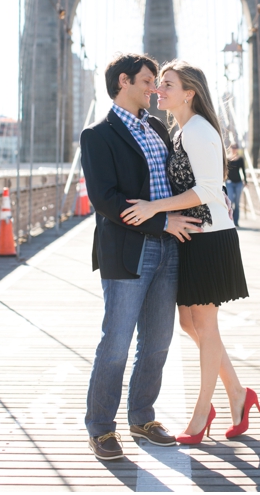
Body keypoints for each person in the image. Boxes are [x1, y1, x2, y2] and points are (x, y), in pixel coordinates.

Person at [121, 59, 260, 444]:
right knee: (189, 324)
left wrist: (153, 208)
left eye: (167, 84)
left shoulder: (198, 130)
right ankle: (238, 392)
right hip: (193, 236)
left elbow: (210, 191)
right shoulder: (180, 131)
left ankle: (203, 412)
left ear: (189, 93)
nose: (158, 90)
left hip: (210, 237)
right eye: (158, 83)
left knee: (206, 326)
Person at [81, 53, 204, 461]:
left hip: (170, 249)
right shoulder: (97, 135)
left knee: (157, 342)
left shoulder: (157, 127)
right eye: (149, 80)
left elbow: (173, 181)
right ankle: (100, 428)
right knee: (116, 343)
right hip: (129, 252)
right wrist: (161, 224)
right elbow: (106, 200)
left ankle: (143, 417)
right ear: (124, 81)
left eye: (157, 81)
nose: (155, 88)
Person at [225, 144, 247, 227]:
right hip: (229, 182)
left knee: (237, 203)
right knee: (230, 201)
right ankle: (230, 220)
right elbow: (224, 171)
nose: (234, 149)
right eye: (233, 148)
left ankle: (236, 221)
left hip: (238, 183)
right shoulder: (227, 159)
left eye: (236, 148)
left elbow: (243, 171)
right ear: (230, 149)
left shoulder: (240, 159)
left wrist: (245, 181)